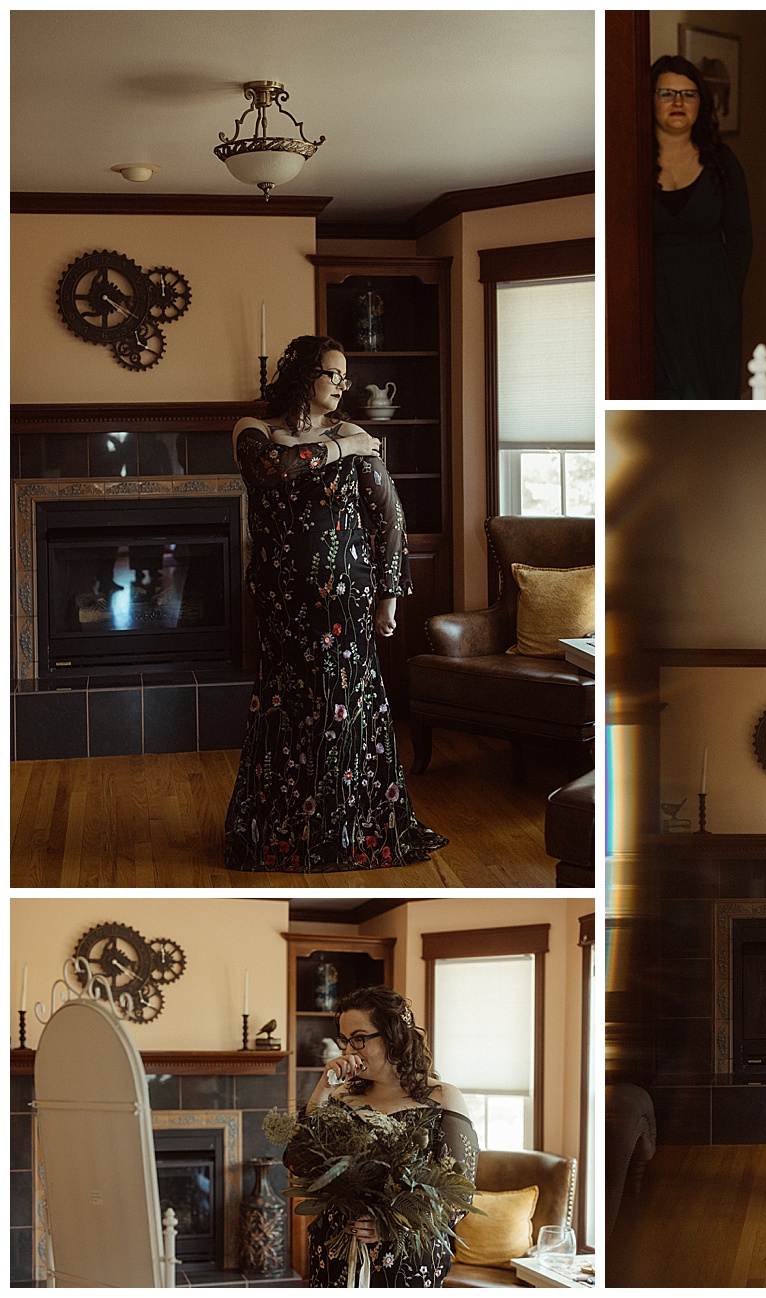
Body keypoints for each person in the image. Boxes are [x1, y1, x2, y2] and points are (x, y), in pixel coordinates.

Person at [224, 336, 447, 871]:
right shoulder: (255, 432)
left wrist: (390, 595)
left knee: (342, 709)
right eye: (335, 375)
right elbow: (271, 471)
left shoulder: (351, 432)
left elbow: (390, 518)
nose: (343, 385)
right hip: (280, 601)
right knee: (289, 709)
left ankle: (345, 832)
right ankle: (285, 833)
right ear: (305, 376)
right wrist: (346, 449)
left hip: (345, 601)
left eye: (346, 376)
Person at [301, 986, 479, 1287]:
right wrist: (323, 1088)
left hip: (404, 1259)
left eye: (359, 1038)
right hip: (336, 1253)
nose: (348, 1051)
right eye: (344, 1041)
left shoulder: (442, 1098)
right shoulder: (342, 1095)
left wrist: (392, 1224)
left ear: (393, 1035)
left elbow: (459, 1196)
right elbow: (302, 1160)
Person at [651, 55, 752, 399]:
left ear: (701, 103)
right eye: (667, 93)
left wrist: (728, 293)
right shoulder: (629, 162)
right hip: (653, 299)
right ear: (650, 100)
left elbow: (741, 235)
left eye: (688, 94)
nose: (678, 102)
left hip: (713, 302)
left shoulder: (722, 162)